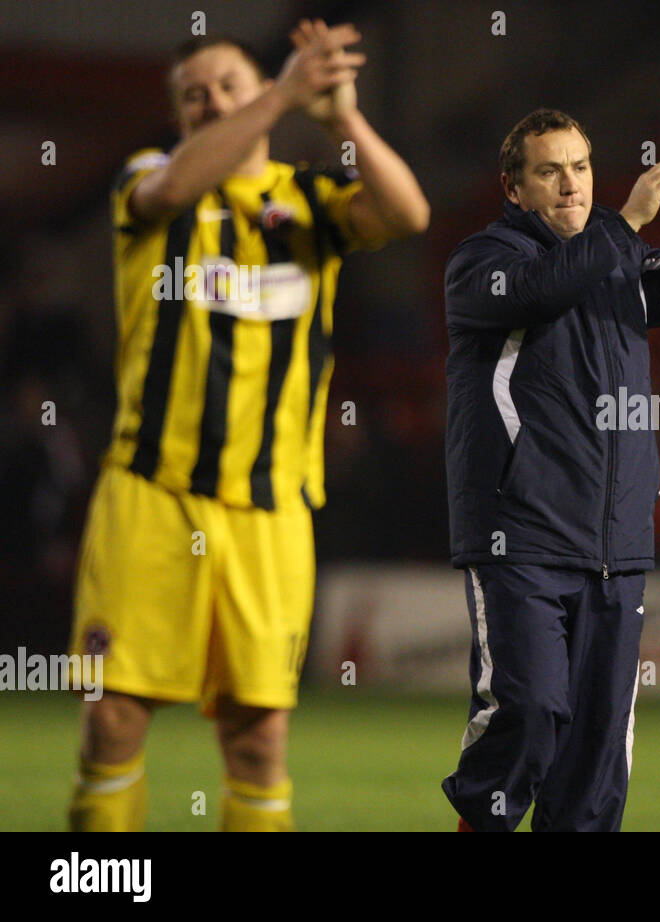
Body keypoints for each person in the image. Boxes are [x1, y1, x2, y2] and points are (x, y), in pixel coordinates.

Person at [68, 21, 429, 831]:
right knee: (112, 720)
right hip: (151, 496)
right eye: (192, 94)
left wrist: (341, 119)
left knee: (259, 742)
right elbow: (167, 191)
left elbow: (409, 213)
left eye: (227, 84)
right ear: (178, 117)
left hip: (271, 512)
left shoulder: (310, 203)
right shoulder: (152, 183)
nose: (210, 101)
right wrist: (278, 94)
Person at [441, 108, 660, 831]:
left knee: (597, 754)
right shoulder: (483, 263)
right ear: (515, 190)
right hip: (521, 539)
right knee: (531, 710)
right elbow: (544, 288)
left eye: (579, 166)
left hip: (614, 547)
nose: (570, 183)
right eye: (549, 170)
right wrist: (626, 221)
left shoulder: (619, 262)